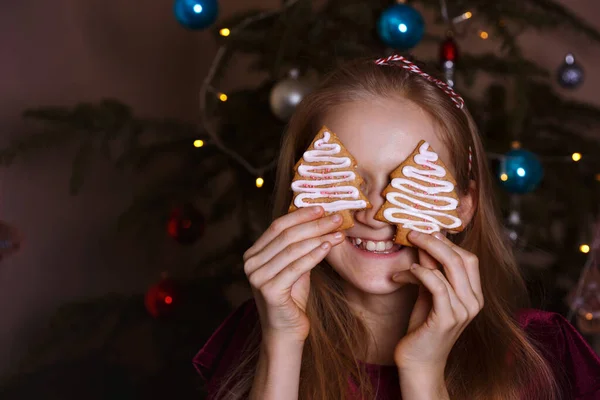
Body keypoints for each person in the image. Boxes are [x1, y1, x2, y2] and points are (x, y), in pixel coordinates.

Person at [193, 55, 600, 399]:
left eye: (406, 183)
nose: (375, 213)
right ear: (304, 191)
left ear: (461, 206)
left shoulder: (543, 355)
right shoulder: (256, 337)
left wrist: (423, 372)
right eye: (346, 177)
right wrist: (281, 344)